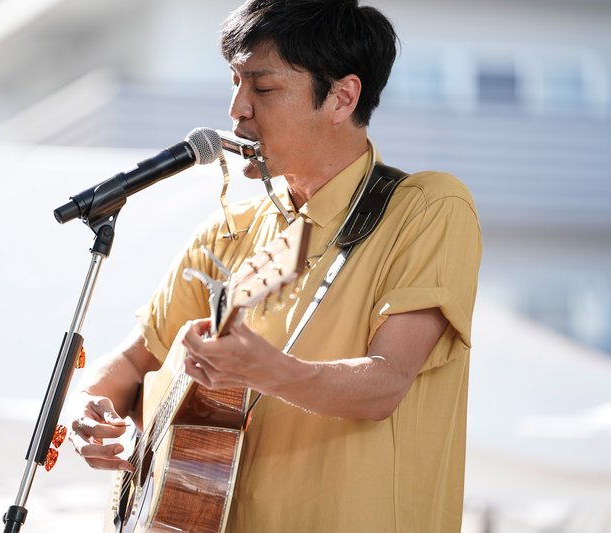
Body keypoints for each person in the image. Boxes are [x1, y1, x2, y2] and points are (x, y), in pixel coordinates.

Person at [70, 0, 482, 531]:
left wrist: (261, 369)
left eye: (262, 88)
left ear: (342, 97)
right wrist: (90, 410)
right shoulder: (228, 231)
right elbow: (130, 364)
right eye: (234, 83)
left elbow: (386, 382)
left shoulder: (428, 207)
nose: (237, 109)